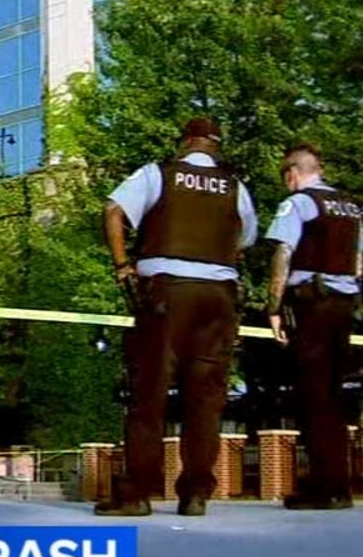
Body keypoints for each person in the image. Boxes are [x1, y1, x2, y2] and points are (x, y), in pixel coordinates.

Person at [100, 117, 258, 517]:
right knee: (205, 399)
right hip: (218, 298)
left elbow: (113, 210)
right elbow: (246, 237)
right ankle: (195, 494)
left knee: (149, 394)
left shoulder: (159, 174)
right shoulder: (235, 187)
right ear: (216, 146)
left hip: (167, 295)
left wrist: (122, 266)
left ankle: (136, 493)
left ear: (186, 142)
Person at [264, 143, 363, 510]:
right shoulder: (350, 207)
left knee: (313, 395)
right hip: (343, 305)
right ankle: (339, 483)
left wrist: (273, 306)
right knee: (335, 396)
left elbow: (283, 252)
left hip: (313, 302)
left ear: (293, 172)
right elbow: (357, 260)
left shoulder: (299, 203)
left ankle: (325, 487)